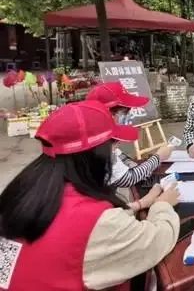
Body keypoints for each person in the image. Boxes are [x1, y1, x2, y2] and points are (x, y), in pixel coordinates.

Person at [0, 100, 180, 290]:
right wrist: (162, 205)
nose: (116, 152)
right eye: (112, 146)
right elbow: (154, 243)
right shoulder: (98, 222)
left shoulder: (23, 189)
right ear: (96, 155)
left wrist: (139, 204)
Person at [86, 81, 173, 188]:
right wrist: (158, 158)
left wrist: (139, 167)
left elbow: (120, 156)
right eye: (124, 112)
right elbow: (127, 178)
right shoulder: (99, 145)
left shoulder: (102, 135)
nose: (128, 116)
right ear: (108, 113)